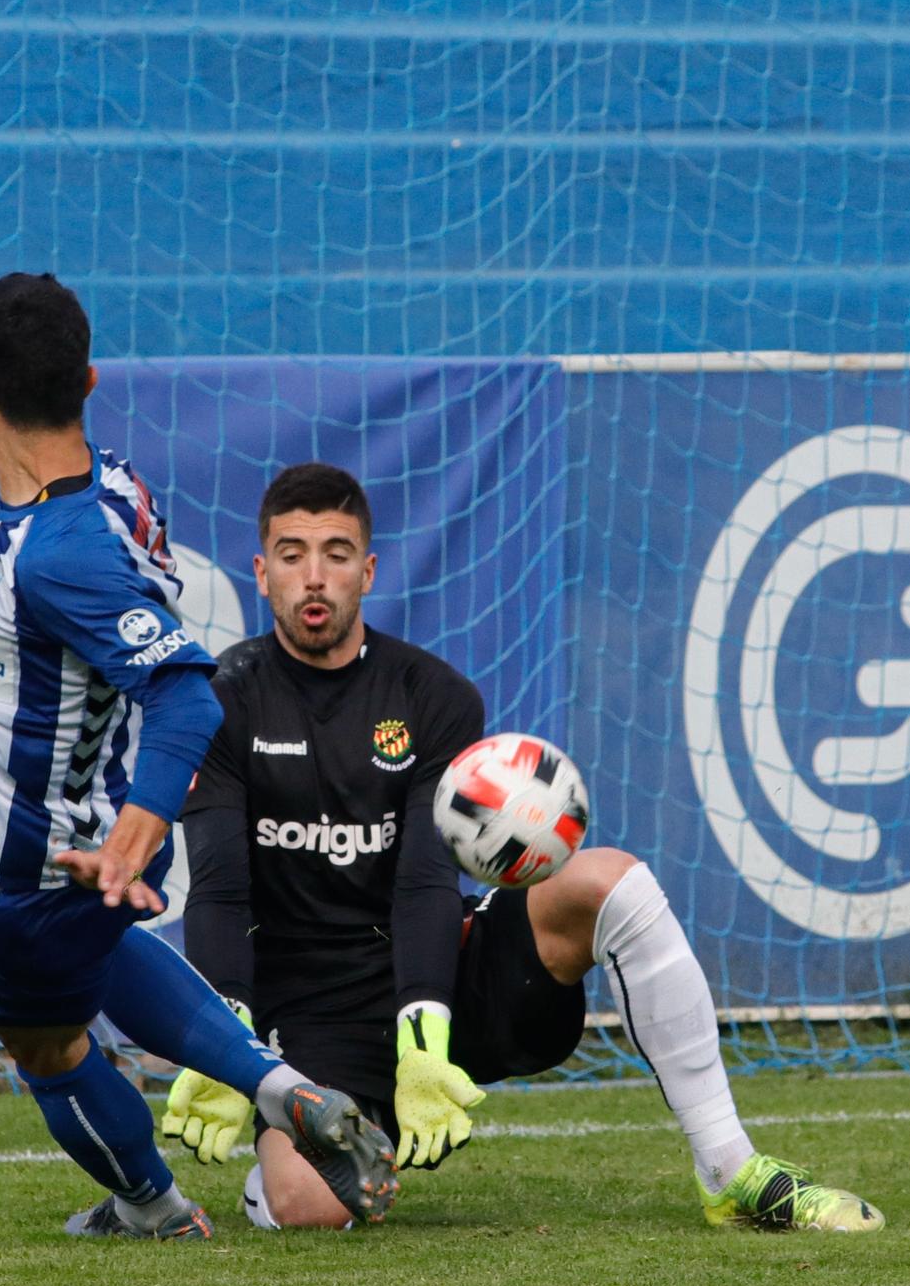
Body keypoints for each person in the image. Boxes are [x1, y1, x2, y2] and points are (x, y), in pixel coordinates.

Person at [0, 278, 397, 1237]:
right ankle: (282, 1088)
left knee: (47, 1045)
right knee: (98, 962)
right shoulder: (104, 489)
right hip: (86, 847)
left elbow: (185, 692)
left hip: (24, 872)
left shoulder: (62, 554)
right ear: (88, 378)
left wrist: (133, 845)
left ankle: (153, 1206)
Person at [151, 460, 884, 1237]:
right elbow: (222, 891)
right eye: (292, 554)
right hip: (311, 1012)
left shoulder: (431, 695)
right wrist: (227, 1045)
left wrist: (424, 1038)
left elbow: (426, 881)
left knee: (610, 881)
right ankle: (289, 1164)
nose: (314, 577)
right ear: (261, 572)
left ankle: (729, 1168)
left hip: (438, 968)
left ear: (366, 570)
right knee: (305, 1208)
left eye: (335, 553)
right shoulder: (219, 700)